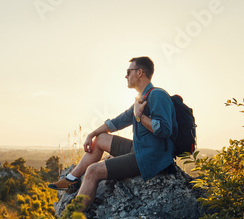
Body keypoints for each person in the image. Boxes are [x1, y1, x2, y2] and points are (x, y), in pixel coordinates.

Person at [48, 56, 178, 210]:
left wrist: (139, 116)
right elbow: (117, 122)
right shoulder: (142, 98)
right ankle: (71, 179)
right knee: (101, 138)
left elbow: (164, 129)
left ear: (140, 72)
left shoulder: (157, 95)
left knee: (92, 171)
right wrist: (91, 135)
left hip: (150, 158)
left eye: (129, 72)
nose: (126, 76)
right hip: (140, 148)